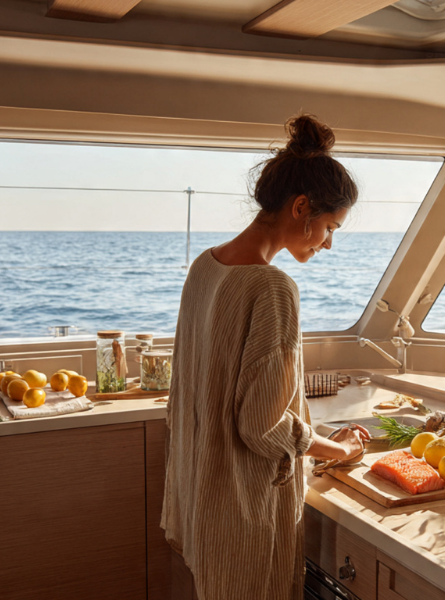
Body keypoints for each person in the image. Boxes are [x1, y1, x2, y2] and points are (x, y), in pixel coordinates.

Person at [161, 114, 370, 600]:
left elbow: (199, 384)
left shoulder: (205, 266)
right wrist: (340, 451)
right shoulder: (272, 287)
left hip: (202, 494)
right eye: (330, 227)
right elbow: (262, 426)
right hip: (243, 509)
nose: (328, 243)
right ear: (301, 207)